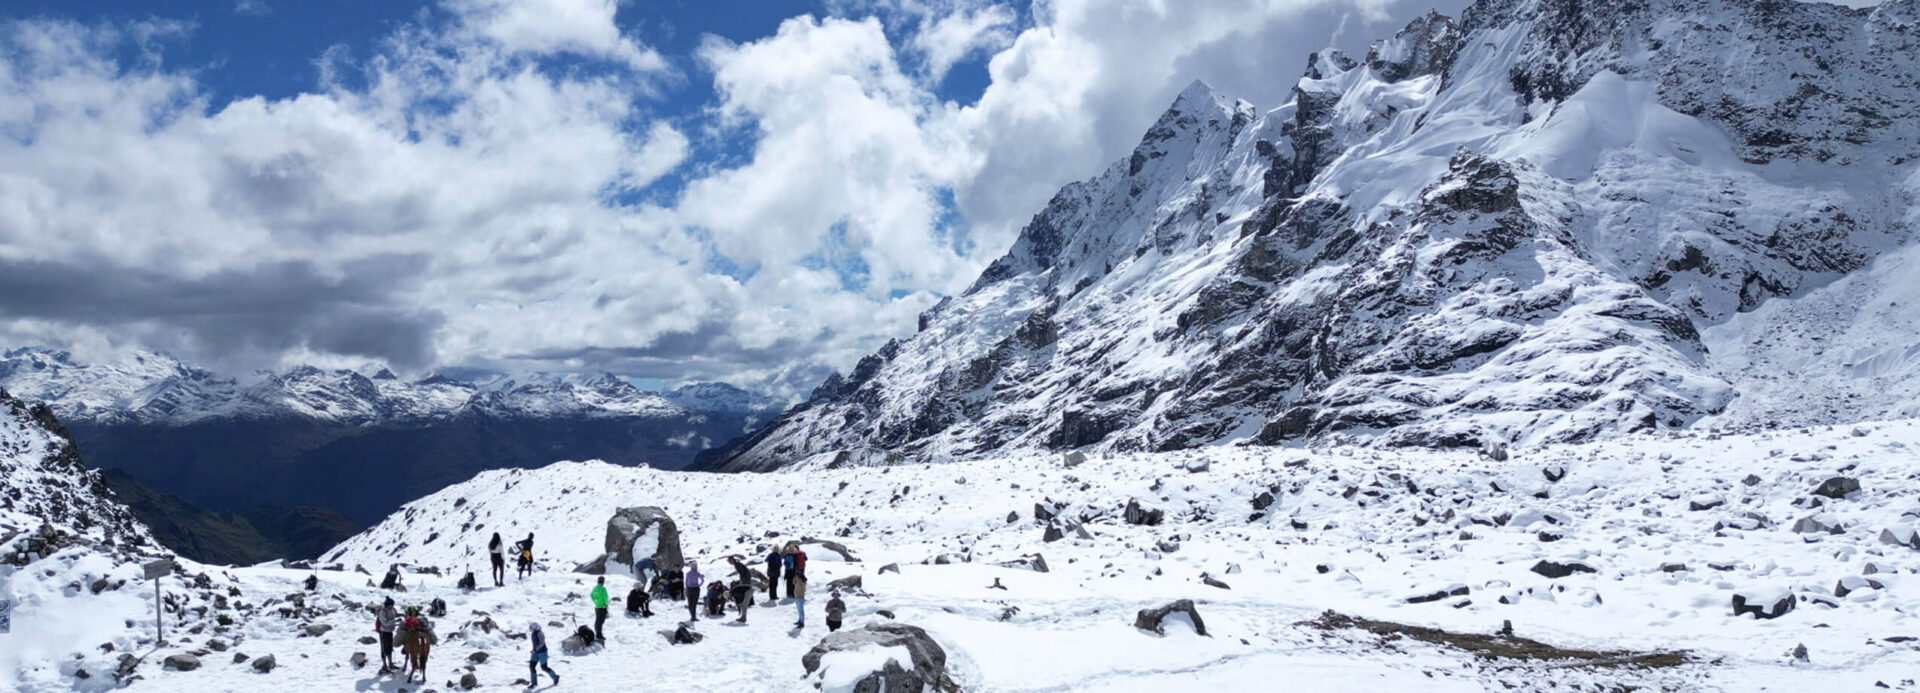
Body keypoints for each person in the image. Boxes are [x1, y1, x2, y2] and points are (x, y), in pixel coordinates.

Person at [527, 622, 559, 689]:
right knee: (531, 666)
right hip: (535, 653)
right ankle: (533, 683)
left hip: (542, 652)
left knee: (544, 667)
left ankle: (555, 677)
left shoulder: (539, 633)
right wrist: (534, 650)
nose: (530, 629)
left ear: (535, 627)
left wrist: (535, 649)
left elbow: (542, 642)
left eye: (531, 627)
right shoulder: (533, 633)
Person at [374, 596, 402, 673]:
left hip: (390, 631)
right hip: (384, 632)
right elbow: (385, 623)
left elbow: (395, 615)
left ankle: (390, 663)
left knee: (389, 647)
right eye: (391, 605)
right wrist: (395, 621)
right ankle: (384, 665)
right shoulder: (382, 612)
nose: (392, 606)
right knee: (384, 648)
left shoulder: (392, 610)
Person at [589, 576, 610, 643]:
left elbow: (591, 595)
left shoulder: (595, 588)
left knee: (597, 620)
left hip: (597, 606)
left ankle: (597, 633)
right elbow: (605, 597)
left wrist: (595, 601)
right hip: (602, 606)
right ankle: (599, 635)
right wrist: (605, 603)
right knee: (601, 621)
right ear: (603, 582)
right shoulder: (603, 588)